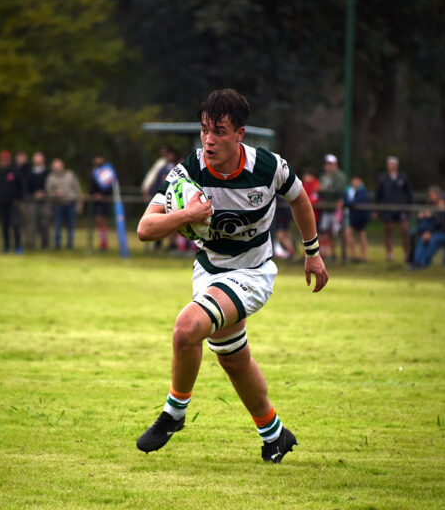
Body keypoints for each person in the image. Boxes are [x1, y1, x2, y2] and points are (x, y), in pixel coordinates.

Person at [135, 89, 328, 463]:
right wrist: (185, 216)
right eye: (205, 130)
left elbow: (300, 198)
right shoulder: (189, 170)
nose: (209, 139)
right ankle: (274, 435)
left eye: (219, 131)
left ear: (240, 134)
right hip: (208, 272)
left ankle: (173, 414)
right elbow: (145, 228)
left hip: (253, 274)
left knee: (186, 328)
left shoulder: (269, 167)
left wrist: (313, 253)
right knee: (234, 359)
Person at [412, 185, 445, 269]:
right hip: (442, 234)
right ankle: (417, 262)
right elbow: (436, 226)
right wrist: (429, 233)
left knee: (435, 238)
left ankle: (424, 263)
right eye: (439, 203)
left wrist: (432, 234)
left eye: (441, 202)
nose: (439, 204)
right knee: (424, 237)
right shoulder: (439, 212)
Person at [375, 155, 413, 262]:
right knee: (388, 231)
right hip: (388, 209)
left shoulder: (403, 177)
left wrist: (410, 207)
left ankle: (407, 253)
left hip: (401, 209)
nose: (390, 166)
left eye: (392, 164)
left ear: (396, 165)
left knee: (405, 230)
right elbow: (378, 194)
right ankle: (389, 254)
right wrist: (376, 209)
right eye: (389, 164)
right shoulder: (383, 178)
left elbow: (409, 193)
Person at [0, 150, 26, 254]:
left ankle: (18, 246)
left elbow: (22, 186)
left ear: (9, 160)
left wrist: (19, 199)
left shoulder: (16, 172)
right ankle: (6, 246)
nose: (4, 162)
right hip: (2, 204)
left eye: (6, 160)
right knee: (4, 225)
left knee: (16, 225)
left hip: (13, 204)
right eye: (3, 160)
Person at [45, 158, 82, 249]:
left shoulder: (70, 175)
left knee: (71, 227)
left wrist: (79, 203)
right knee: (57, 226)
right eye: (55, 166)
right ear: (52, 167)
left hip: (71, 204)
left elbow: (77, 189)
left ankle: (70, 245)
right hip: (58, 205)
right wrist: (55, 194)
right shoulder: (51, 178)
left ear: (63, 166)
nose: (57, 168)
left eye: (59, 166)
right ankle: (57, 246)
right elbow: (48, 192)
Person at [318, 154, 347, 260]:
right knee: (324, 231)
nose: (328, 166)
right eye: (327, 164)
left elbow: (339, 190)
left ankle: (339, 253)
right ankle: (325, 252)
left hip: (336, 209)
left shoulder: (340, 176)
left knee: (336, 232)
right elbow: (320, 191)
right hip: (325, 208)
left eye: (331, 164)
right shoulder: (323, 176)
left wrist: (324, 190)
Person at [23, 151, 51, 250]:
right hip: (32, 200)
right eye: (36, 158)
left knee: (44, 222)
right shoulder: (29, 172)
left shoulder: (48, 172)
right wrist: (33, 194)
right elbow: (26, 186)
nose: (38, 160)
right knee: (30, 222)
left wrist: (44, 193)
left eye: (40, 158)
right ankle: (30, 243)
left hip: (44, 200)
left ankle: (45, 243)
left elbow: (50, 185)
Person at [90, 154, 116, 251]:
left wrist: (102, 195)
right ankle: (102, 242)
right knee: (97, 221)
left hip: (103, 199)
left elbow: (108, 185)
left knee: (102, 220)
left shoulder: (107, 170)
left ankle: (104, 243)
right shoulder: (94, 171)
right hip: (95, 200)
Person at [345, 175, 370, 263]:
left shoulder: (363, 192)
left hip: (361, 217)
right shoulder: (350, 191)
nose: (354, 183)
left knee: (361, 235)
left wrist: (348, 203)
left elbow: (355, 203)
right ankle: (355, 255)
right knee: (349, 234)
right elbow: (347, 201)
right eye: (353, 181)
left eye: (356, 181)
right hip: (353, 217)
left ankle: (364, 256)